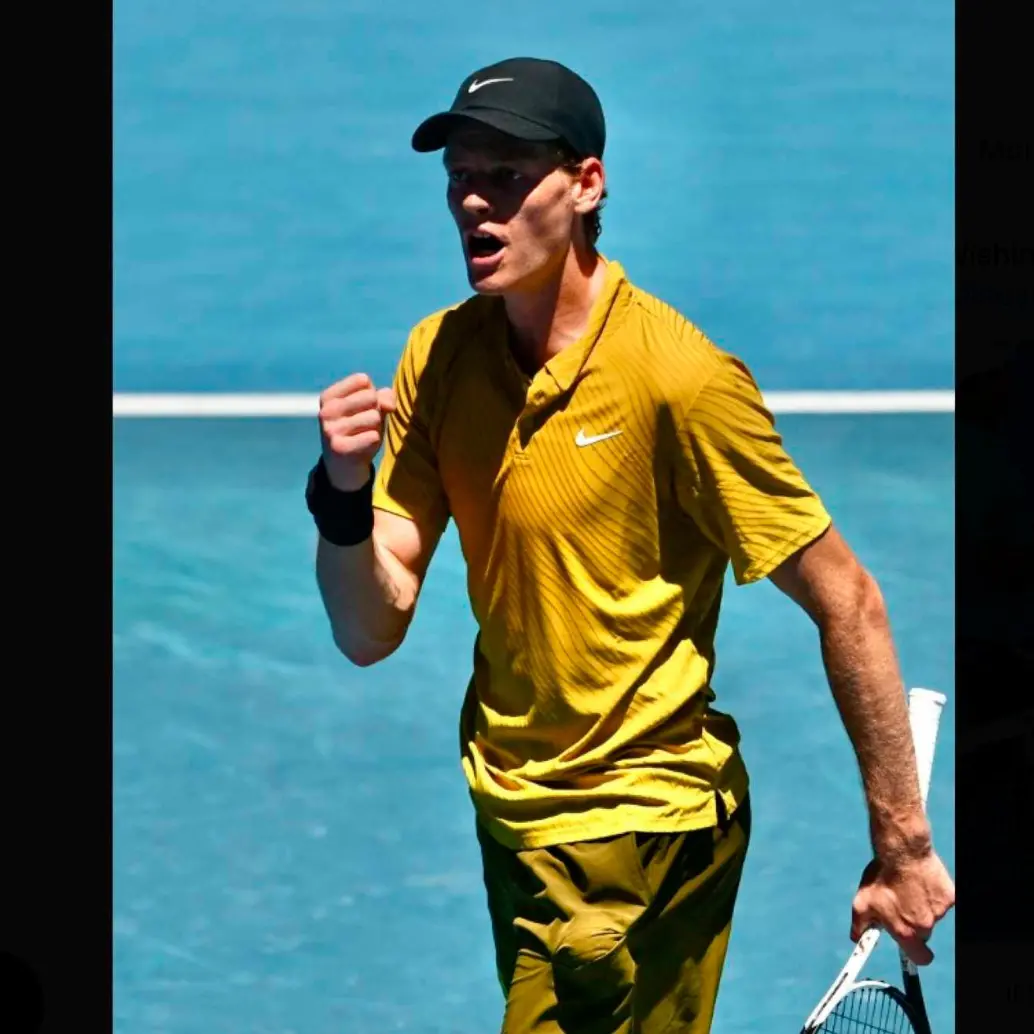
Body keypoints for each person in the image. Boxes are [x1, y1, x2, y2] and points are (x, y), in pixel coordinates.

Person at [305, 57, 955, 1033]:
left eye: (508, 175)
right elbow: (370, 624)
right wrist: (341, 497)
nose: (474, 201)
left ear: (586, 185)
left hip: (637, 825)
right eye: (459, 176)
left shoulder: (678, 380)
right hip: (514, 814)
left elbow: (844, 596)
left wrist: (901, 844)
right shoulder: (437, 356)